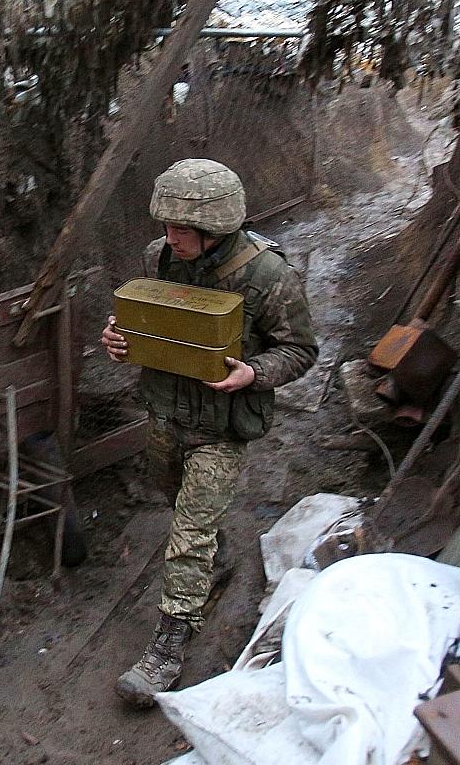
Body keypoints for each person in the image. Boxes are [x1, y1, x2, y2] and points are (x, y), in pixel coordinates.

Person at [100, 159, 318, 707]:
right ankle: (211, 560)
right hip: (166, 414)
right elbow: (146, 322)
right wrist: (119, 339)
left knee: (189, 533)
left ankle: (166, 651)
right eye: (166, 225)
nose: (170, 238)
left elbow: (301, 349)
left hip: (223, 425)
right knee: (178, 505)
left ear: (217, 226)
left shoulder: (267, 276)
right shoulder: (158, 259)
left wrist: (254, 373)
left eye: (183, 229)